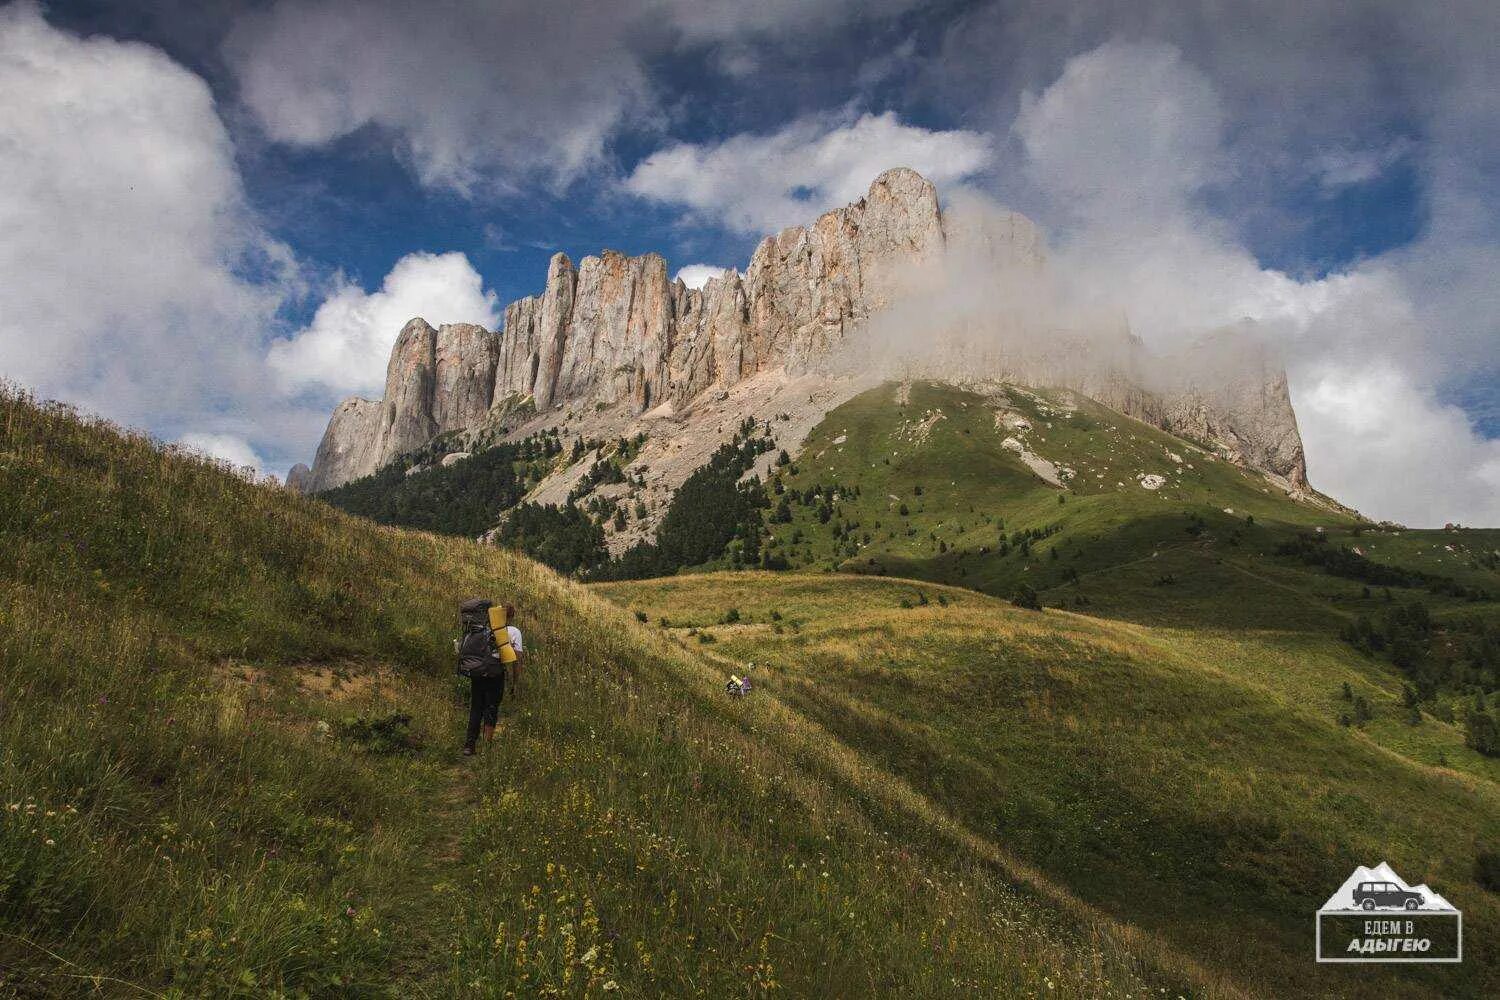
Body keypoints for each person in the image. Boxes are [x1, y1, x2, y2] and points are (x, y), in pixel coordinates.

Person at [457, 598, 505, 756]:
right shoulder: (494, 630)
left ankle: (469, 745)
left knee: (476, 708)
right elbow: (505, 654)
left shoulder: (470, 632)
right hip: (493, 675)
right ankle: (487, 747)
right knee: (491, 707)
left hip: (476, 674)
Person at [503, 604, 525, 691]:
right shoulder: (515, 632)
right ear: (512, 617)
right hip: (499, 673)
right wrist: (515, 684)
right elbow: (518, 659)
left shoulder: (489, 629)